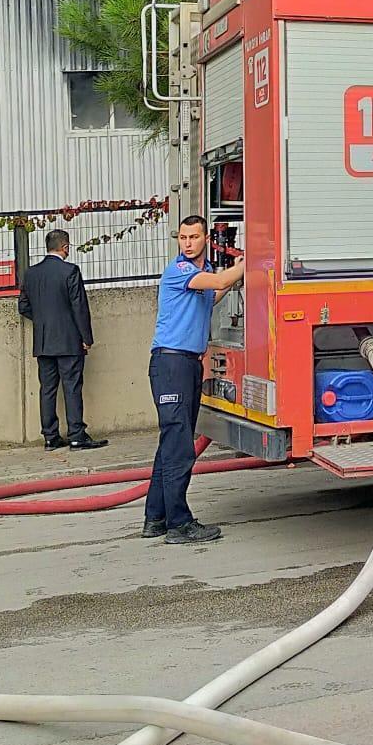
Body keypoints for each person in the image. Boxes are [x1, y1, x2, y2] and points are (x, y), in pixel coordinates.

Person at [143, 215, 242, 544]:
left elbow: (211, 296)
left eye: (193, 237)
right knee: (180, 446)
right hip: (171, 364)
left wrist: (232, 277)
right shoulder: (179, 271)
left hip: (186, 365)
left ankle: (155, 518)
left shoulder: (203, 276)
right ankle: (179, 524)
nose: (187, 242)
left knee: (170, 444)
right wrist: (253, 261)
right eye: (183, 237)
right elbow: (215, 284)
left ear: (205, 240)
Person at [20, 228, 106, 450]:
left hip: (43, 341)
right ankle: (77, 435)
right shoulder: (70, 271)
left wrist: (42, 320)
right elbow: (80, 307)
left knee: (47, 388)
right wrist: (86, 337)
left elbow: (23, 307)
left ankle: (50, 437)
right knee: (72, 387)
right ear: (65, 247)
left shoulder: (31, 274)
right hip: (69, 341)